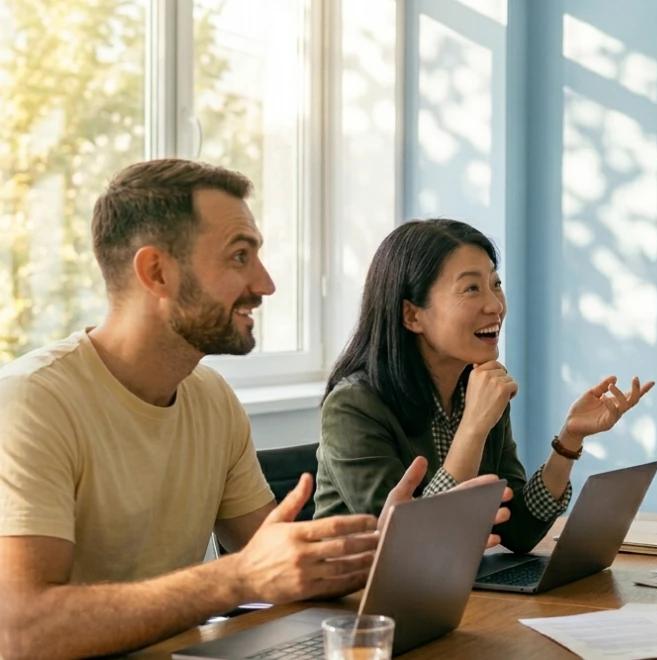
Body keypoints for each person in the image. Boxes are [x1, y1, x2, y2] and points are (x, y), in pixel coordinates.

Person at [0, 160, 509, 658]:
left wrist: (382, 546)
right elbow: (21, 631)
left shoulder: (210, 398)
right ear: (156, 272)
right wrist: (235, 578)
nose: (265, 284)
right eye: (239, 257)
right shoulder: (34, 402)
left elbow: (282, 565)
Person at [314, 218, 653, 553]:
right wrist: (473, 427)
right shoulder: (352, 407)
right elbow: (409, 549)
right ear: (412, 315)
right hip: (356, 601)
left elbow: (518, 530)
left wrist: (568, 441)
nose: (495, 305)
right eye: (471, 288)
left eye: (495, 284)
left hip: (449, 592)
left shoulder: (478, 389)